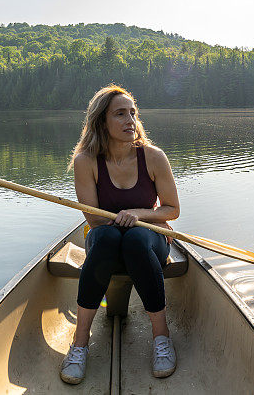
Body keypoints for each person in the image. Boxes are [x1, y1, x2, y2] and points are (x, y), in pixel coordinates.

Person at [60, 84, 180, 384]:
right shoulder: (85, 162)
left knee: (137, 239)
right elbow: (94, 219)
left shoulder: (153, 157)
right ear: (102, 122)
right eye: (120, 114)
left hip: (149, 242)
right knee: (108, 238)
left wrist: (141, 215)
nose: (130, 120)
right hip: (106, 243)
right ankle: (80, 343)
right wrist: (129, 222)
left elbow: (172, 209)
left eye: (133, 113)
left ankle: (161, 338)